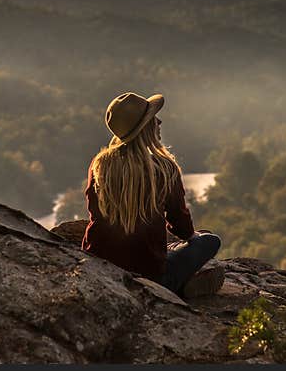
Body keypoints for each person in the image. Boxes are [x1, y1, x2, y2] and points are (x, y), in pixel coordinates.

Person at [81, 92, 224, 298]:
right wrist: (192, 237)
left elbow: (94, 212)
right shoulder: (164, 168)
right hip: (149, 276)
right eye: (153, 119)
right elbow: (179, 221)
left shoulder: (100, 165)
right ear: (144, 128)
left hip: (99, 266)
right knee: (209, 240)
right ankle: (181, 287)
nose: (159, 121)